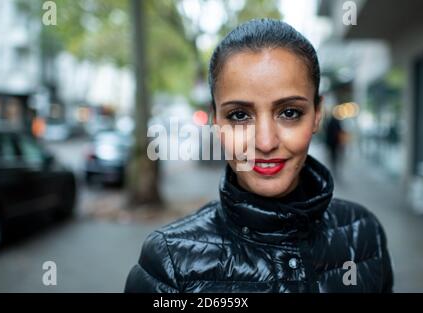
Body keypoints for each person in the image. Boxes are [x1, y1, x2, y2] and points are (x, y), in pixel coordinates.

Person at [125, 19, 393, 293]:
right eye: (239, 115)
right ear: (216, 121)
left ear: (317, 114)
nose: (265, 142)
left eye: (289, 112)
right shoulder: (170, 263)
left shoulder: (364, 234)